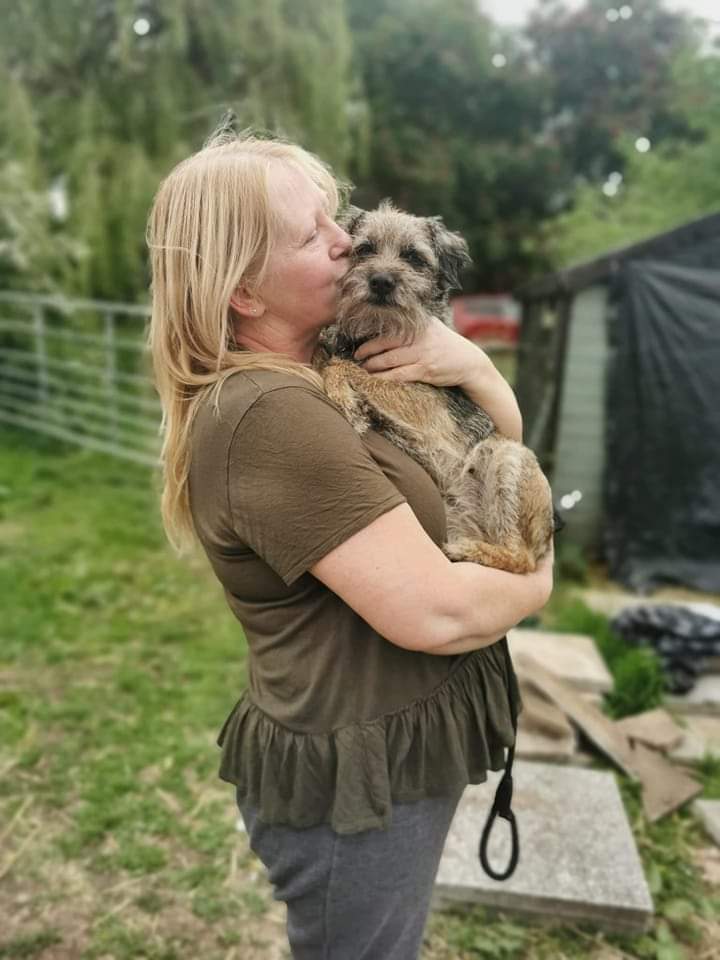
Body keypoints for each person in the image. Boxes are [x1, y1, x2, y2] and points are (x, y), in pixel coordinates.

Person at [146, 127, 553, 960]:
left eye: (339, 220)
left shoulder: (343, 372)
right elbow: (439, 614)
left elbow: (493, 454)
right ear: (245, 293)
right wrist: (539, 573)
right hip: (354, 784)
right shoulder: (276, 415)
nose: (346, 242)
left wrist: (471, 367)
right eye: (316, 233)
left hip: (385, 753)